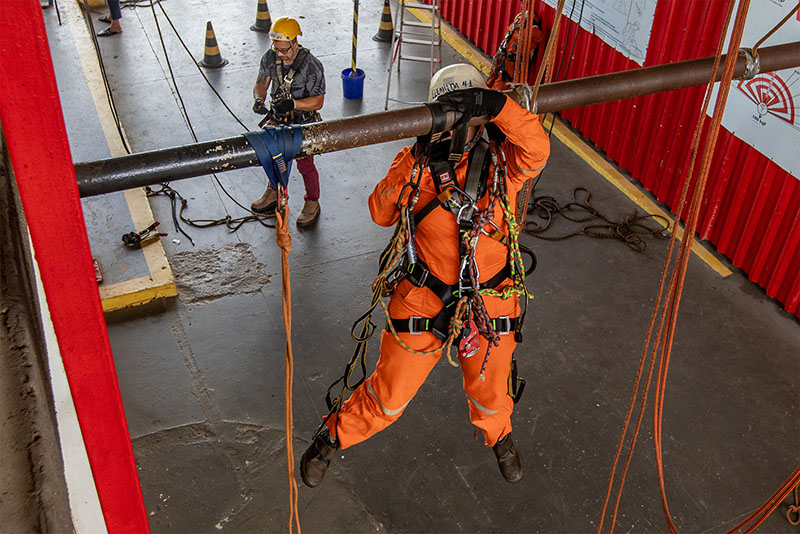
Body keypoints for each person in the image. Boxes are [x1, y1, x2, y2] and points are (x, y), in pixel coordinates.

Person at [300, 64, 551, 487]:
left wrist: (497, 105)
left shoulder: (503, 164)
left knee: (490, 395)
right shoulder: (416, 167)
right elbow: (380, 212)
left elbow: (537, 148)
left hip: (488, 300)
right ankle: (332, 436)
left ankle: (499, 437)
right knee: (390, 396)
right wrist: (416, 156)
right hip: (424, 297)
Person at [250, 16, 325, 227]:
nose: (280, 54)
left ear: (295, 43)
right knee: (274, 157)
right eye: (277, 49)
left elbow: (318, 102)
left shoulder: (312, 66)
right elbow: (261, 82)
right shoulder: (270, 57)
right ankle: (274, 191)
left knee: (305, 164)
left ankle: (312, 201)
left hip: (303, 120)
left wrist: (293, 104)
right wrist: (259, 99)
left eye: (285, 50)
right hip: (278, 117)